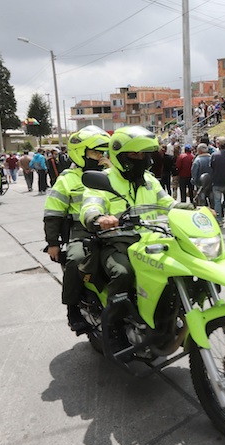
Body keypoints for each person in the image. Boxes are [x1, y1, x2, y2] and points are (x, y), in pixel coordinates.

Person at [80, 126, 191, 302]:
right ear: (119, 155)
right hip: (116, 243)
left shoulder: (149, 180)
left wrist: (195, 209)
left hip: (152, 241)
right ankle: (113, 322)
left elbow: (169, 203)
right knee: (123, 272)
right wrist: (99, 218)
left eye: (143, 154)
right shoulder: (105, 179)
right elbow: (91, 204)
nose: (140, 158)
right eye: (134, 154)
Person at [44, 126, 111, 334]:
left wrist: (112, 169)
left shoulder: (111, 173)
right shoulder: (67, 179)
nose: (101, 157)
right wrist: (53, 243)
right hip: (81, 231)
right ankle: (73, 309)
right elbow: (53, 213)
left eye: (103, 152)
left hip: (113, 228)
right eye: (96, 152)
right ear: (80, 153)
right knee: (75, 260)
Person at [191, 143, 213, 207]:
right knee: (212, 201)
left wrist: (193, 182)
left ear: (199, 151)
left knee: (202, 202)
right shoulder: (212, 158)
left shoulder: (197, 160)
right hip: (211, 184)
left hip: (200, 185)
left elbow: (194, 173)